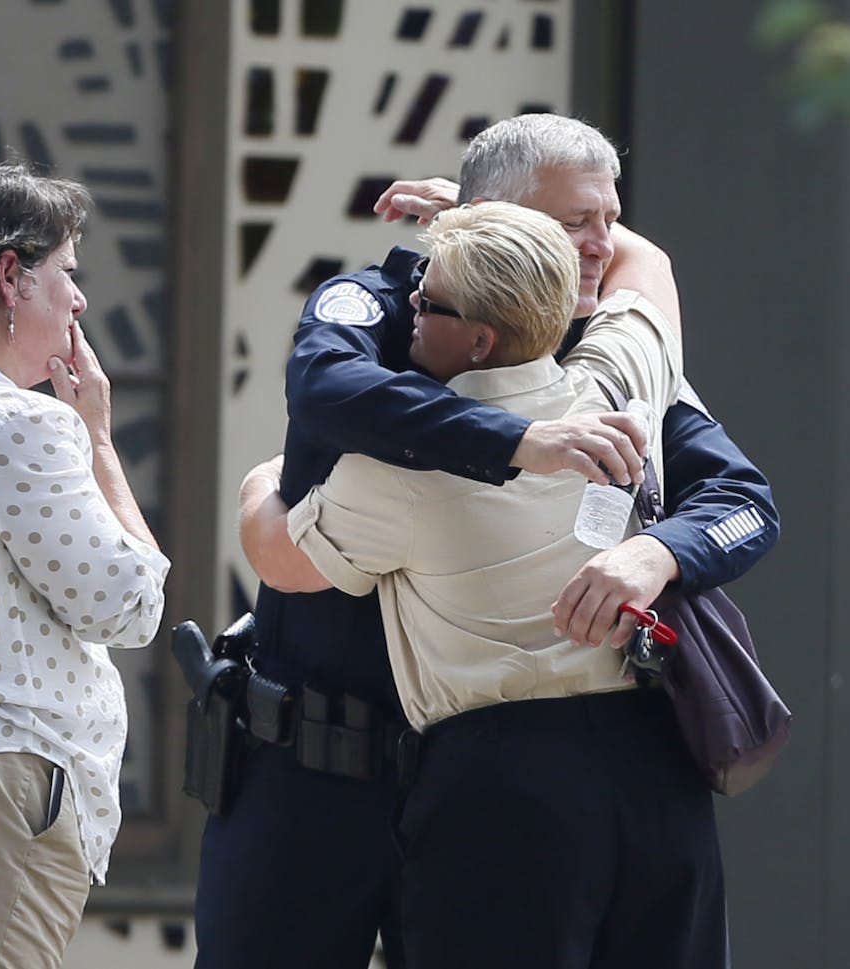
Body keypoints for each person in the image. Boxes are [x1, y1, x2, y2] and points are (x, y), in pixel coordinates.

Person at [192, 114, 777, 969]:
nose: (598, 245)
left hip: (499, 786)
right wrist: (511, 442)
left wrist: (657, 554)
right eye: (573, 223)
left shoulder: (609, 363)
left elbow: (741, 498)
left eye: (606, 221)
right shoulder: (390, 309)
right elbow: (326, 385)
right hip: (319, 771)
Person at [278, 200, 722, 967]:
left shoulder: (390, 472)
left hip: (502, 788)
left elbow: (282, 560)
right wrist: (497, 217)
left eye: (429, 300)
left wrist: (262, 485)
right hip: (657, 771)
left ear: (479, 339)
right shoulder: (621, 386)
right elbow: (649, 269)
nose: (408, 305)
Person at [0, 154, 169, 968]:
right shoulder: (17, 425)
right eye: (66, 272)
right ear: (12, 276)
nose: (78, 300)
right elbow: (128, 605)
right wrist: (102, 442)